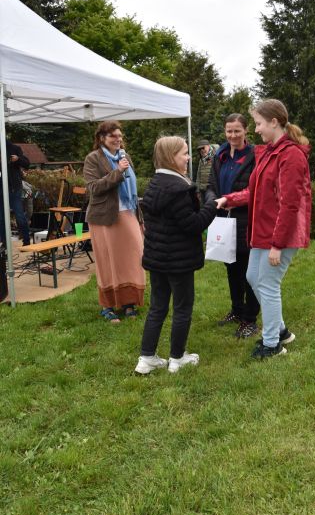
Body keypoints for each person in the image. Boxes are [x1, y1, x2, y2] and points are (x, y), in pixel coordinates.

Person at [216, 99, 311, 359]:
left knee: (268, 284)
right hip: (263, 232)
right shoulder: (269, 152)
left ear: (274, 122)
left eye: (258, 124)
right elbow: (255, 191)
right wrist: (229, 199)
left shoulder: (291, 155)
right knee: (252, 277)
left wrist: (278, 244)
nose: (256, 129)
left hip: (280, 234)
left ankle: (271, 345)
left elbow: (290, 205)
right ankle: (280, 331)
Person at [135, 136, 217, 375]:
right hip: (178, 260)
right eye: (185, 153)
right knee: (182, 307)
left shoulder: (155, 183)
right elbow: (193, 224)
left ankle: (146, 358)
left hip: (157, 258)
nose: (189, 157)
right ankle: (178, 358)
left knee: (157, 307)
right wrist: (213, 204)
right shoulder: (179, 188)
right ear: (172, 157)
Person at [83, 121, 145, 323]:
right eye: (113, 136)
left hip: (128, 212)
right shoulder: (93, 158)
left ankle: (128, 302)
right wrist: (117, 172)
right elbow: (93, 188)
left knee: (133, 258)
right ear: (102, 138)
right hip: (104, 218)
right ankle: (107, 306)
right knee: (108, 261)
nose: (118, 139)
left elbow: (132, 188)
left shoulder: (124, 156)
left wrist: (140, 217)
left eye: (119, 135)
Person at [206, 113, 260, 338]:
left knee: (250, 272)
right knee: (231, 267)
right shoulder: (219, 155)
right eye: (229, 131)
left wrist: (231, 200)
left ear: (246, 130)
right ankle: (237, 310)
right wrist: (213, 201)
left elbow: (256, 190)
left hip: (246, 220)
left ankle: (250, 318)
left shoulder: (254, 156)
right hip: (224, 219)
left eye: (237, 130)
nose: (233, 135)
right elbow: (211, 185)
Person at [0, 140, 31, 247]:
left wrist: (18, 159)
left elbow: (27, 164)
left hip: (14, 188)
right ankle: (4, 243)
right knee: (2, 218)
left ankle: (26, 240)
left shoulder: (14, 148)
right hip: (1, 189)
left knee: (19, 215)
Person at [196, 139, 218, 204]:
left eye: (203, 148)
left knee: (211, 206)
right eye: (200, 149)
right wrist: (197, 190)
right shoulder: (201, 160)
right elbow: (198, 175)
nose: (202, 150)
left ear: (208, 146)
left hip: (212, 189)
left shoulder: (216, 157)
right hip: (202, 190)